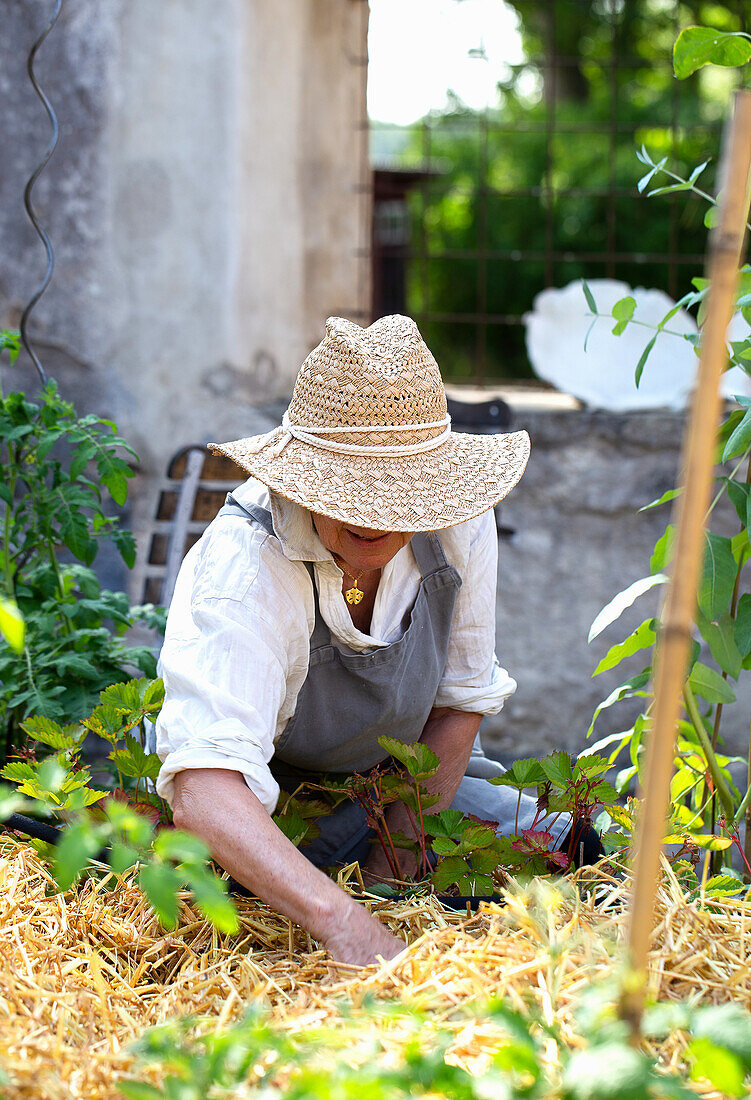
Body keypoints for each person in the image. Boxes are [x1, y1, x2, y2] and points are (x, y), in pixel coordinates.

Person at [155, 314, 536, 966]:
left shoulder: (458, 520)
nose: (374, 515)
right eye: (349, 487)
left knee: (572, 841)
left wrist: (397, 880)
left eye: (399, 492)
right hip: (266, 817)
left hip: (387, 794)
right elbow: (204, 789)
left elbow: (457, 704)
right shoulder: (248, 564)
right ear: (302, 478)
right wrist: (346, 926)